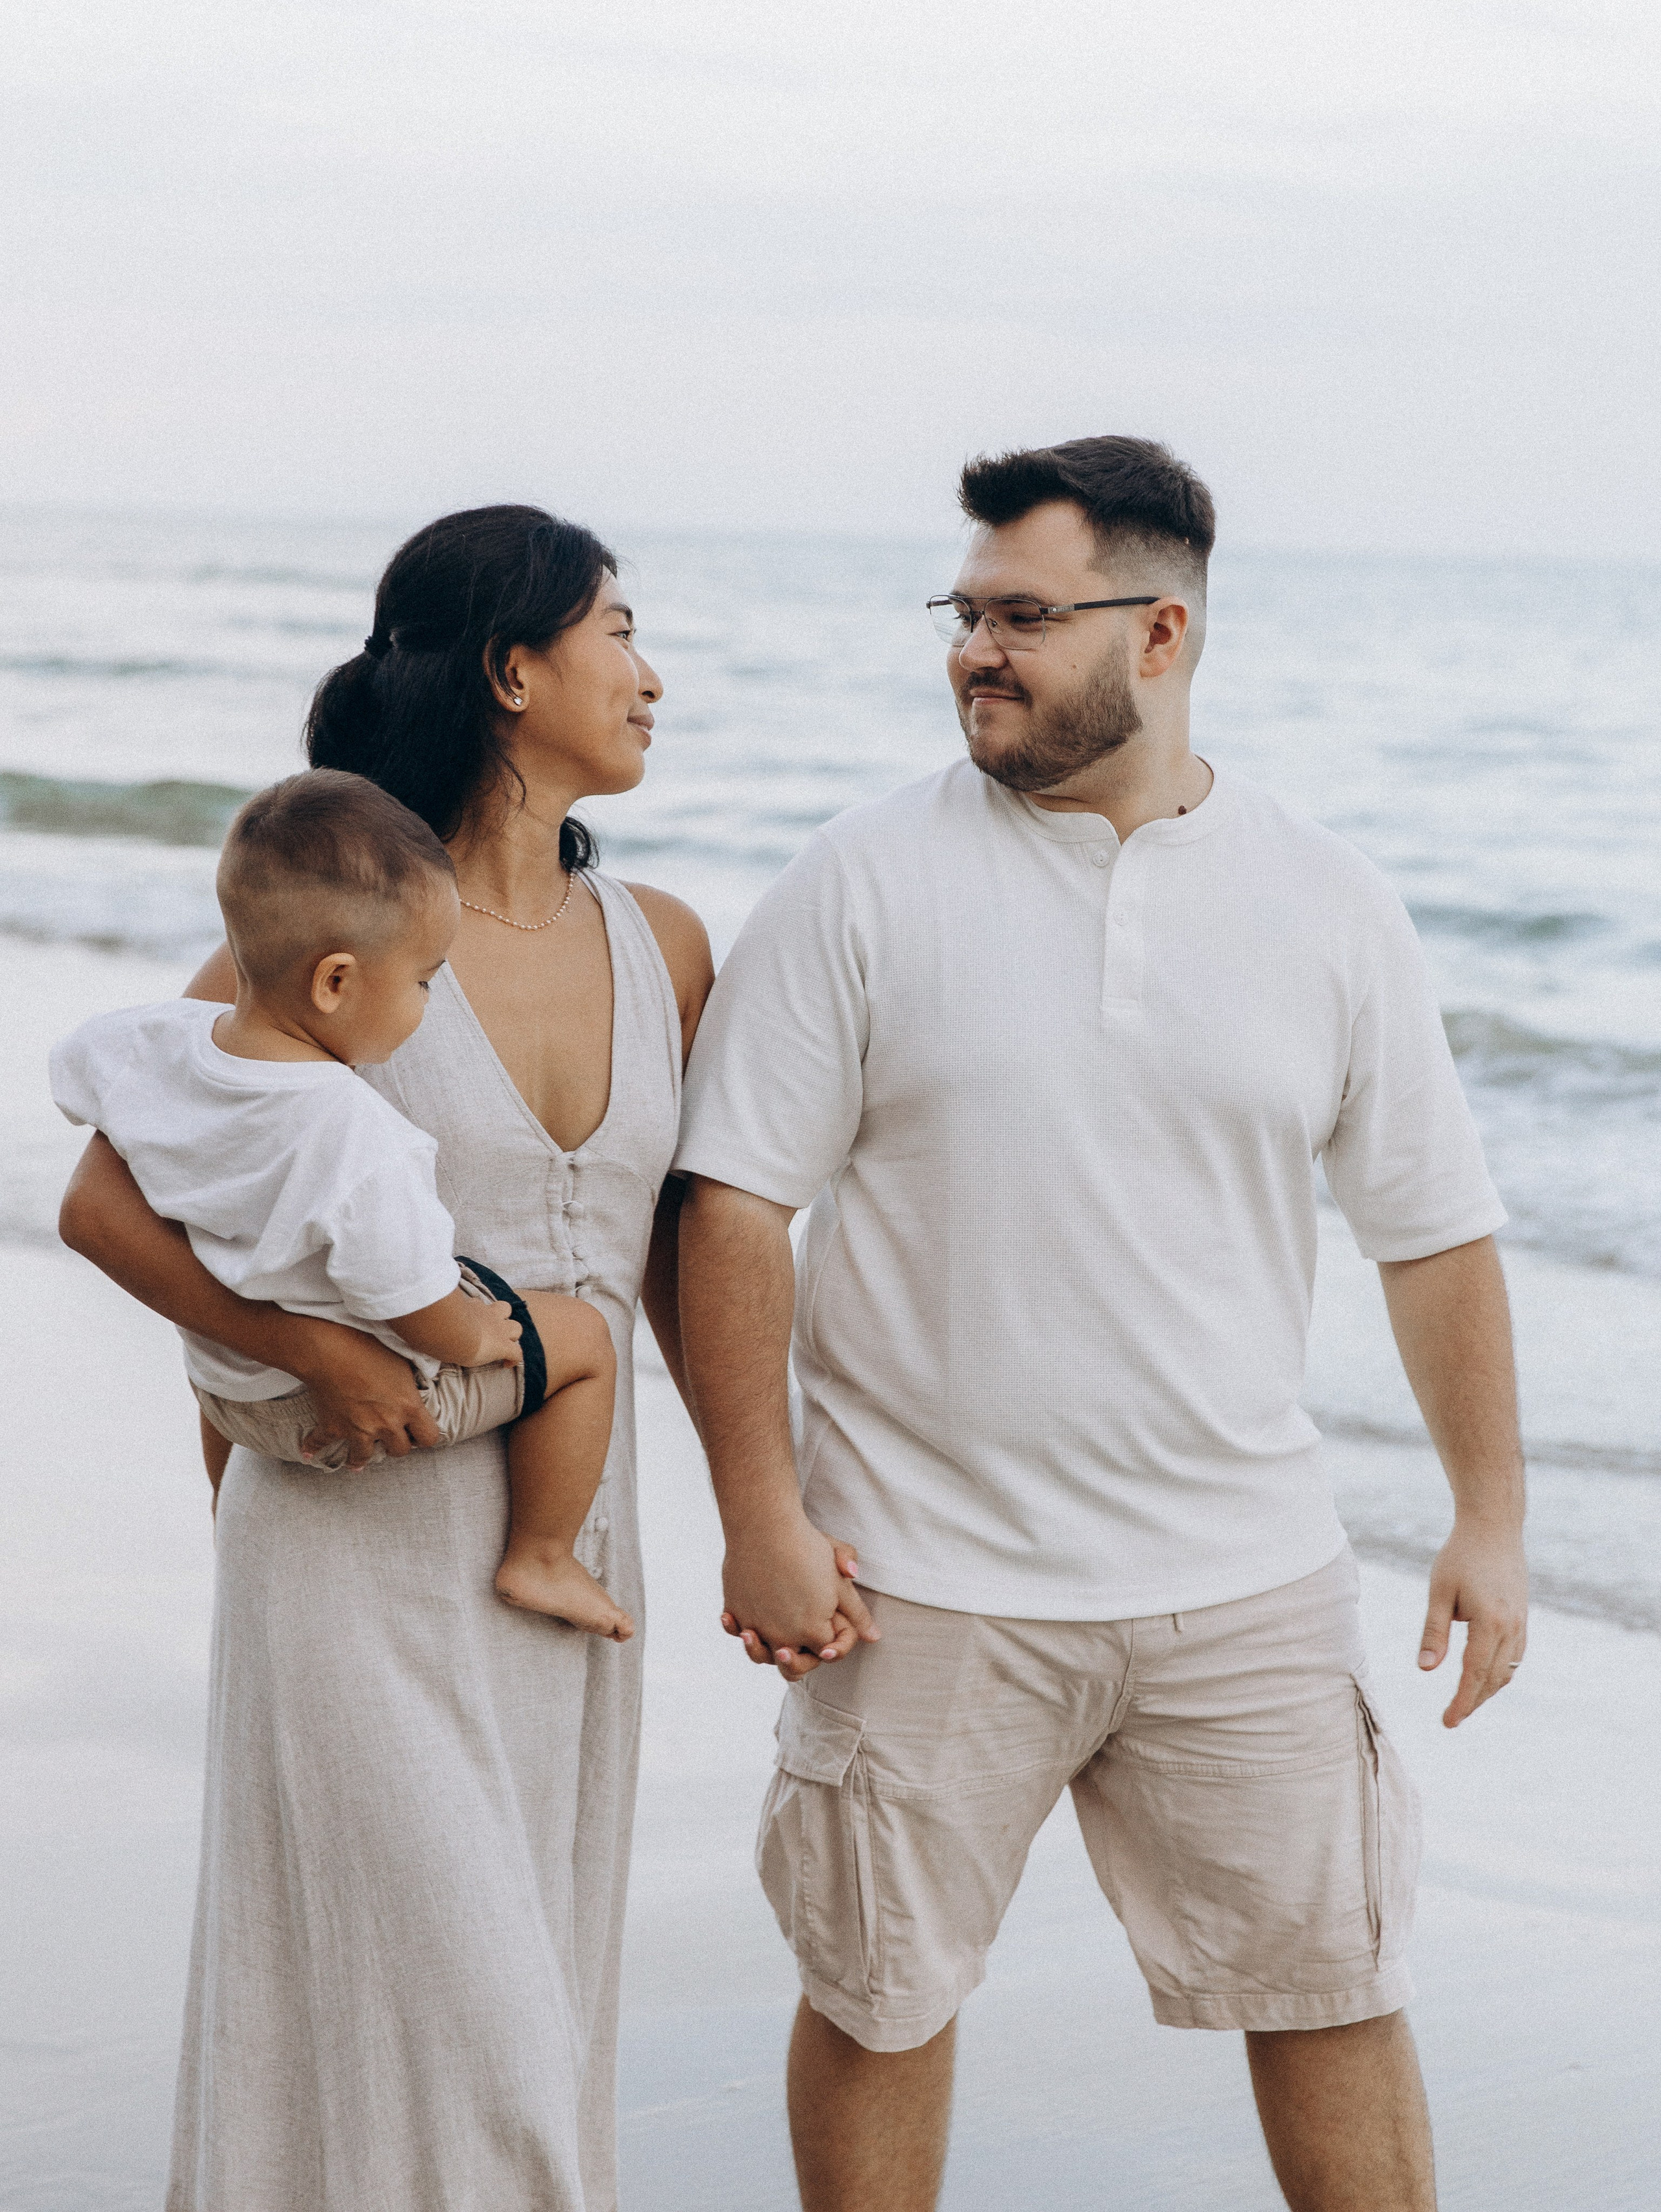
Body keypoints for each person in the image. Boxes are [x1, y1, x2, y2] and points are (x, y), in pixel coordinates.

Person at [675, 437, 1528, 2212]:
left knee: (1335, 1993)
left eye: (1022, 617)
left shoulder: (1331, 902)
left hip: (1245, 1578)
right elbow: (734, 1204)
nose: (976, 650)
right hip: (916, 1581)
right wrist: (760, 1511)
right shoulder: (858, 880)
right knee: (878, 1995)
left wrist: (1492, 1516)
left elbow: (1433, 1233)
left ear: (1161, 632)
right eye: (964, 613)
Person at [58, 505, 713, 2210]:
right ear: (514, 669)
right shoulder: (336, 924)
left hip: (571, 1562)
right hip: (355, 1548)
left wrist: (777, 1509)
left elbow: (687, 1268)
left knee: (531, 2028)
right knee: (467, 2053)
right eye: (620, 631)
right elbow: (110, 1201)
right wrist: (308, 1360)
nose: (652, 673)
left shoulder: (672, 947)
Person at [53, 769, 630, 1637]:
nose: (428, 1006)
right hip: (339, 1398)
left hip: (225, 1394)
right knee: (585, 1342)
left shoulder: (153, 1042)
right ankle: (543, 1556)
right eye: (425, 981)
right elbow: (410, 1295)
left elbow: (78, 1071)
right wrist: (475, 1334)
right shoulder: (358, 1132)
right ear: (334, 983)